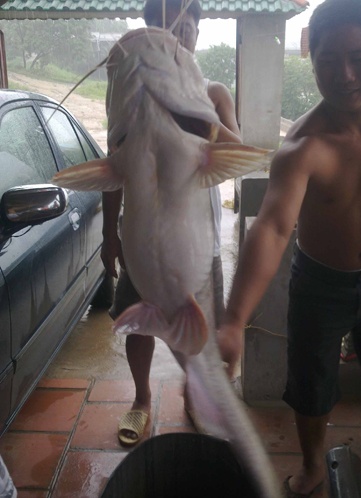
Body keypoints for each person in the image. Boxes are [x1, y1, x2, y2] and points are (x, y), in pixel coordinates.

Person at [218, 0, 361, 495]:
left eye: (359, 58)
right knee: (310, 383)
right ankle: (314, 462)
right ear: (311, 61)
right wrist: (234, 320)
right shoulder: (303, 147)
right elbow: (274, 228)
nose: (344, 75)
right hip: (320, 282)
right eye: (328, 60)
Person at [101, 0, 242, 447]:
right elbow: (114, 163)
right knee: (138, 325)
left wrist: (198, 118)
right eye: (162, 26)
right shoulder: (131, 91)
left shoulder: (213, 92)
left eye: (186, 26)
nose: (176, 34)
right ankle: (142, 399)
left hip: (197, 246)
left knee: (199, 331)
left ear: (198, 32)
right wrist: (109, 234)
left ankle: (194, 395)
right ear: (147, 31)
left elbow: (238, 153)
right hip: (141, 240)